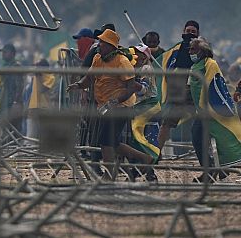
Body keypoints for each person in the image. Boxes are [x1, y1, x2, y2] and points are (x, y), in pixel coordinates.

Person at [68, 29, 156, 180]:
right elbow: (89, 78)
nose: (99, 44)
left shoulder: (122, 62)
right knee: (112, 142)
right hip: (104, 106)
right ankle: (144, 158)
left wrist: (116, 101)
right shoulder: (97, 58)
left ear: (110, 45)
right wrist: (78, 85)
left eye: (102, 42)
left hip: (121, 107)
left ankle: (109, 175)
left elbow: (130, 87)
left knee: (105, 141)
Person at [187, 37, 241, 180]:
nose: (190, 51)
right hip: (201, 110)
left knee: (205, 137)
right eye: (190, 49)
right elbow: (191, 87)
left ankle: (211, 171)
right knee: (201, 139)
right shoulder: (195, 66)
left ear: (202, 51)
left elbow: (212, 85)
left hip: (211, 110)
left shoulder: (210, 64)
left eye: (193, 49)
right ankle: (214, 170)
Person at [157, 20, 200, 155]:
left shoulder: (202, 49)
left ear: (198, 33)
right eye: (188, 31)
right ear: (183, 32)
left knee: (202, 126)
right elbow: (166, 63)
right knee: (166, 124)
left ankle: (211, 159)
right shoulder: (176, 49)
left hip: (196, 90)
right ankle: (155, 155)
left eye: (193, 32)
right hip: (179, 91)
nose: (190, 34)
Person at [126, 45, 162, 173]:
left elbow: (143, 89)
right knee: (143, 136)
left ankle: (147, 163)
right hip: (143, 106)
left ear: (145, 56)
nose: (136, 54)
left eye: (139, 53)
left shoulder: (146, 68)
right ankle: (147, 171)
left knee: (137, 132)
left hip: (149, 105)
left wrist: (130, 83)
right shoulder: (137, 68)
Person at [0, 43, 24, 132]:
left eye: (5, 52)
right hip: (4, 103)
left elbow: (19, 85)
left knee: (14, 129)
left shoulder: (16, 66)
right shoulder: (4, 66)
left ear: (13, 54)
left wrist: (16, 102)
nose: (3, 54)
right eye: (2, 52)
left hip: (12, 103)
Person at [26, 59, 55, 140]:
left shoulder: (51, 77)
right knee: (31, 134)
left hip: (44, 107)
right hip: (33, 107)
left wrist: (39, 76)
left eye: (38, 66)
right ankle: (29, 150)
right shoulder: (36, 76)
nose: (36, 68)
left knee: (44, 133)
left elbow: (42, 89)